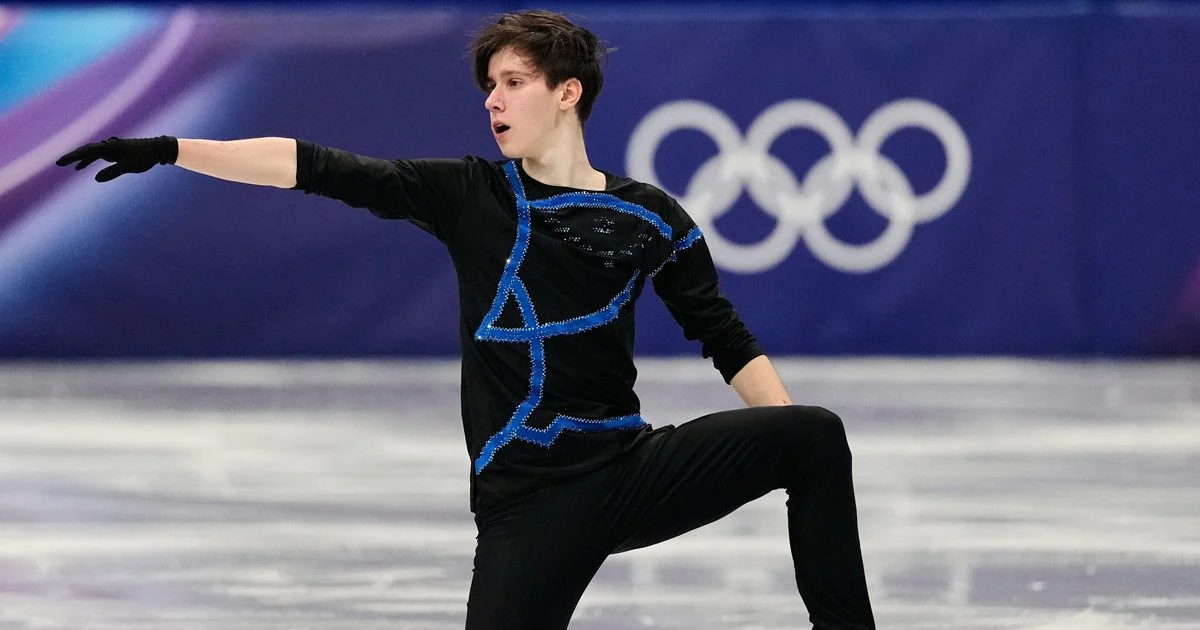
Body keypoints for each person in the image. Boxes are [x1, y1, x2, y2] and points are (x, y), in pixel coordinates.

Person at [56, 9, 875, 629]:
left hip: (631, 469)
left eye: (513, 81)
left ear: (567, 92)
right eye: (489, 85)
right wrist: (173, 149)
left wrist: (777, 429)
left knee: (812, 435)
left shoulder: (651, 215)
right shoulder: (470, 195)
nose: (493, 99)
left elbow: (720, 333)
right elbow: (314, 165)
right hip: (529, 503)